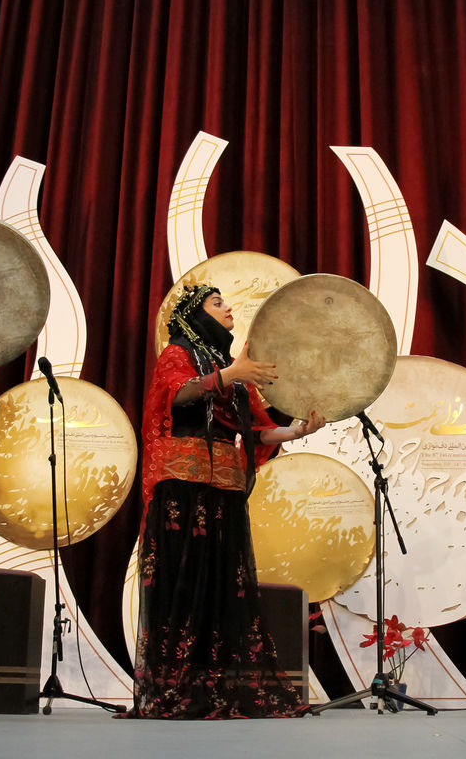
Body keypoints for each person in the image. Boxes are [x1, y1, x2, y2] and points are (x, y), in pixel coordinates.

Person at [132, 284, 325, 719]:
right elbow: (173, 396)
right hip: (181, 485)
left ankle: (219, 689)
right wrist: (228, 376)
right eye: (217, 303)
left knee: (224, 587)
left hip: (225, 489)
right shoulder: (178, 353)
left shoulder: (229, 365)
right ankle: (175, 691)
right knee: (182, 587)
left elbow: (255, 430)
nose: (228, 307)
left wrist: (297, 432)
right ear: (194, 315)